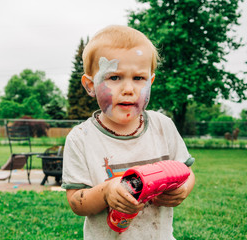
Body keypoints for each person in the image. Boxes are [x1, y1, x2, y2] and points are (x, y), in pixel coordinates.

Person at [61, 25, 195, 239]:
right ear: (90, 85)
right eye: (114, 77)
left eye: (139, 78)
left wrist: (183, 188)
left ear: (150, 81)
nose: (128, 89)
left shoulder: (163, 126)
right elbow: (76, 201)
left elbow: (186, 172)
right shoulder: (81, 138)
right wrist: (106, 192)